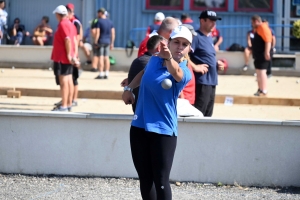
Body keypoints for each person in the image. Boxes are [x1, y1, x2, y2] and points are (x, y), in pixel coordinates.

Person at [122, 25, 192, 200]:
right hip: (139, 127)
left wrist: (169, 59)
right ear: (168, 42)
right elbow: (143, 73)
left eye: (185, 44)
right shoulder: (153, 59)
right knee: (145, 180)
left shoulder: (184, 70)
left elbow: (175, 73)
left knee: (160, 180)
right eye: (176, 42)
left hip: (163, 131)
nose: (180, 46)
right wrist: (129, 87)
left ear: (189, 48)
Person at [189, 10, 225, 117]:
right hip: (202, 82)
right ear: (202, 21)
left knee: (208, 116)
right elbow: (184, 56)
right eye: (211, 21)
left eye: (215, 21)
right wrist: (195, 67)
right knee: (199, 114)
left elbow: (205, 56)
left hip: (212, 82)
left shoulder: (209, 37)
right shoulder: (196, 37)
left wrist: (216, 63)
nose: (214, 23)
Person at [51, 5, 79, 112]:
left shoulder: (62, 24)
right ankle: (68, 104)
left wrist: (68, 55)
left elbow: (67, 40)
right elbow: (75, 40)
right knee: (69, 81)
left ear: (58, 14)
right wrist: (74, 55)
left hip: (61, 58)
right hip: (68, 57)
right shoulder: (71, 24)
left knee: (64, 83)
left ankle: (64, 105)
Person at [127, 35, 163, 113]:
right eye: (167, 46)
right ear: (160, 47)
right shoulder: (148, 62)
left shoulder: (141, 60)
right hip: (148, 113)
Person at [251, 15, 272, 96]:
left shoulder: (263, 27)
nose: (252, 24)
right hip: (257, 54)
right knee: (258, 72)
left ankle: (264, 90)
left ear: (256, 21)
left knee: (262, 72)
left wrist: (267, 52)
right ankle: (260, 89)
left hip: (263, 53)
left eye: (252, 22)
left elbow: (268, 41)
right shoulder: (257, 29)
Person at [94, 7, 115, 79]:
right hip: (108, 41)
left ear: (100, 13)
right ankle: (107, 73)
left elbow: (97, 33)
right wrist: (112, 43)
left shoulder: (99, 21)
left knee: (101, 57)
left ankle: (101, 74)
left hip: (101, 41)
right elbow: (113, 33)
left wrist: (95, 41)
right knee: (107, 57)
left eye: (98, 13)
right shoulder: (110, 22)